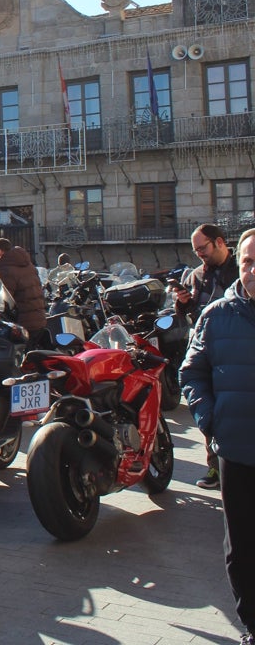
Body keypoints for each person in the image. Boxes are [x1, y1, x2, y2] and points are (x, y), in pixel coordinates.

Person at [179, 227, 255, 645]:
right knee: (241, 546)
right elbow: (192, 371)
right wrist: (211, 420)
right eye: (247, 261)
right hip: (237, 449)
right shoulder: (217, 315)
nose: (253, 268)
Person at [186, 223, 241, 490]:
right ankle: (214, 467)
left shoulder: (241, 268)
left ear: (219, 242)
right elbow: (194, 316)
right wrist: (184, 304)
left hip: (236, 349)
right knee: (210, 408)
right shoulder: (197, 275)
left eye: (202, 248)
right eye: (196, 250)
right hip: (208, 351)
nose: (200, 254)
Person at [0, 238, 46, 343]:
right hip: (38, 319)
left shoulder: (6, 270)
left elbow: (2, 300)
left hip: (22, 323)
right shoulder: (28, 265)